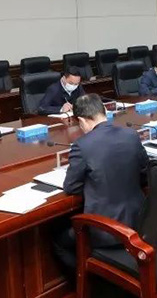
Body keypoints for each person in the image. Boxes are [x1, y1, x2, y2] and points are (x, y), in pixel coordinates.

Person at [53, 94, 149, 272]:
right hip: (140, 221)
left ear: (81, 120)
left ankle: (88, 282)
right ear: (104, 111)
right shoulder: (131, 135)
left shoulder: (82, 145)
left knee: (59, 241)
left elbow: (71, 187)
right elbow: (145, 173)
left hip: (106, 230)